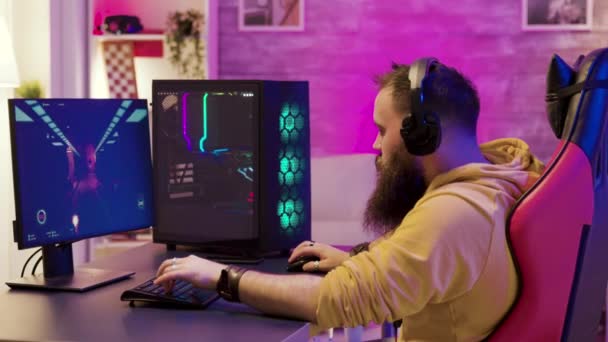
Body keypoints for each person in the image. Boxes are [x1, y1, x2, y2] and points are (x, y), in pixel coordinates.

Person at [154, 58, 544, 341]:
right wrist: (357, 259)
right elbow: (434, 261)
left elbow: (334, 300)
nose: (375, 145)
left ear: (422, 133)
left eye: (381, 130)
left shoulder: (454, 213)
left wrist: (222, 277)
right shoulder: (500, 172)